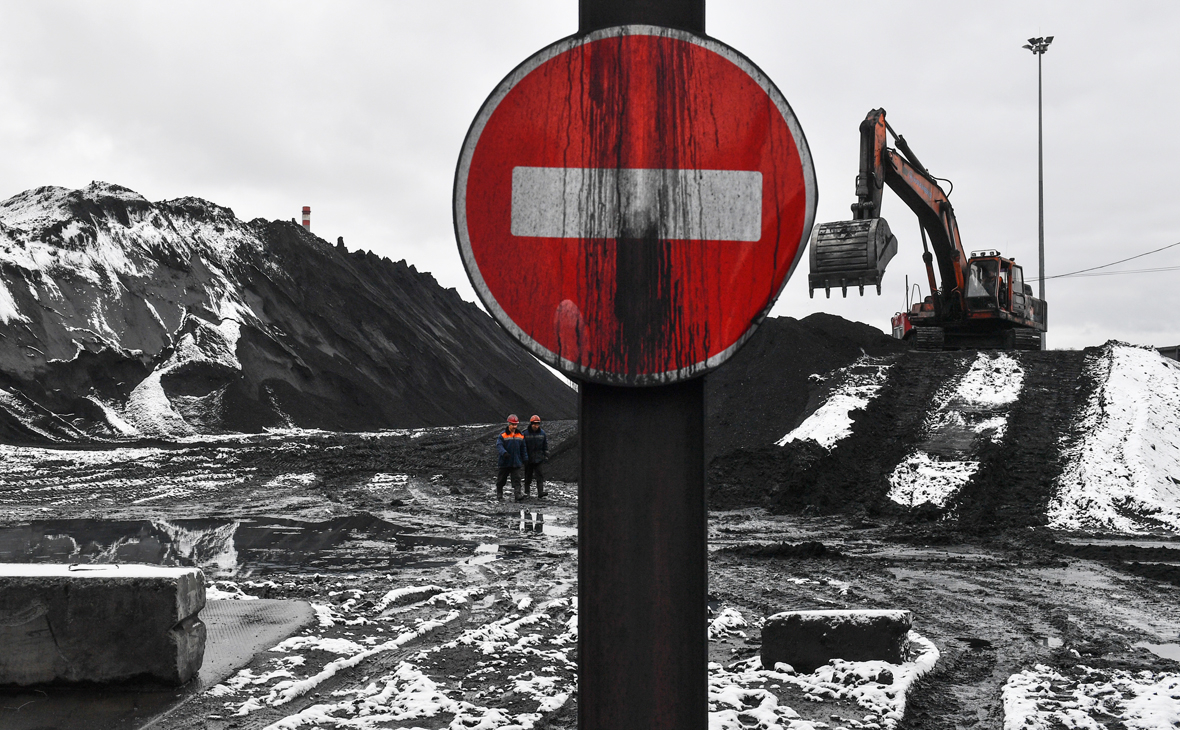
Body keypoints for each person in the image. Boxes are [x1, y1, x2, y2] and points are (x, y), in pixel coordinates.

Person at [496, 414, 528, 501]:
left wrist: (525, 458)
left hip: (516, 462)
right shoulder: (502, 435)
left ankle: (517, 494)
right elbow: (499, 445)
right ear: (508, 424)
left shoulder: (520, 435)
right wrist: (504, 453)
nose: (514, 426)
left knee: (517, 479)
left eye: (516, 425)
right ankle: (499, 494)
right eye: (513, 424)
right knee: (501, 479)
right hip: (505, 462)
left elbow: (523, 448)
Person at [522, 415, 548, 498]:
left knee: (539, 475)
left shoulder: (542, 433)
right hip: (528, 459)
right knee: (528, 476)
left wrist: (546, 455)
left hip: (538, 458)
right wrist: (524, 457)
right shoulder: (525, 433)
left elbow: (545, 445)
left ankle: (540, 492)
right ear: (531, 424)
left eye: (537, 424)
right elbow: (523, 447)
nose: (536, 426)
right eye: (534, 424)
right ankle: (527, 492)